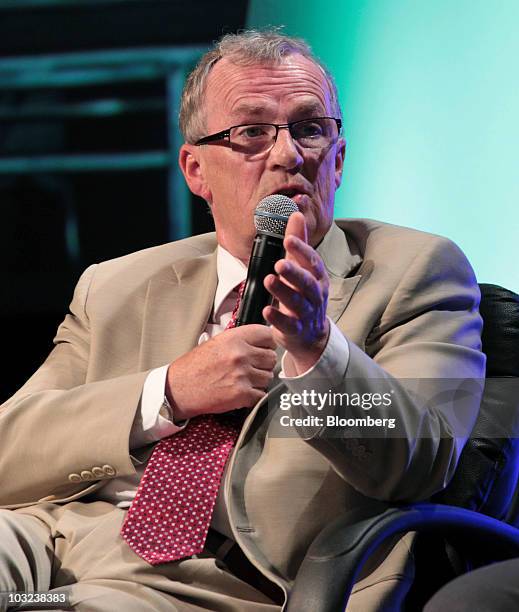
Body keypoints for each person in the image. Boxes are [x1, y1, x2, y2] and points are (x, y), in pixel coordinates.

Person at [0, 30, 485, 612]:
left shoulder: (416, 270)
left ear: (338, 158)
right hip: (49, 542)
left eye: (310, 128)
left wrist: (317, 350)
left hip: (217, 579)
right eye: (252, 132)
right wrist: (170, 390)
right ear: (196, 170)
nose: (288, 155)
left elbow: (422, 460)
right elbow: (10, 445)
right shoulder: (117, 284)